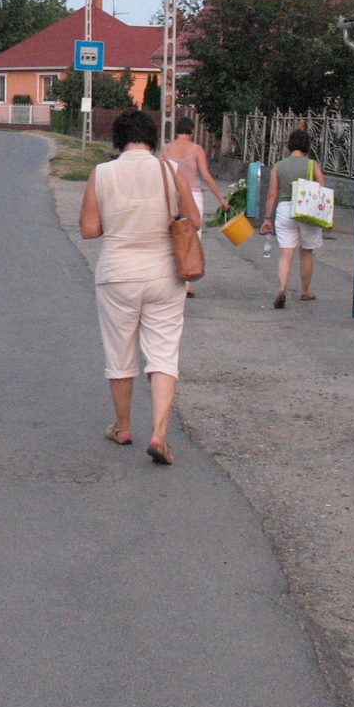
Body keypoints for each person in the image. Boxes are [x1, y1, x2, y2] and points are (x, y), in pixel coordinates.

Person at [79, 109, 198, 465]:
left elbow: (89, 230)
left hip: (118, 275)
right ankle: (159, 433)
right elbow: (192, 219)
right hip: (165, 274)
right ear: (152, 138)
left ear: (118, 139)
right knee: (163, 353)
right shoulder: (169, 171)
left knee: (120, 352)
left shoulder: (101, 173)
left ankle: (124, 426)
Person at [258, 130, 327, 309]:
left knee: (286, 254)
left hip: (284, 210)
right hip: (307, 210)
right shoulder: (312, 165)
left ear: (290, 145)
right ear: (306, 146)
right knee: (306, 252)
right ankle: (305, 291)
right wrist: (328, 218)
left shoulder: (279, 166)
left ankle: (282, 288)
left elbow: (272, 193)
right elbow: (322, 190)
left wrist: (267, 218)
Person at [162, 119, 227, 298]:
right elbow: (206, 176)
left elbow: (159, 173)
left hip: (172, 196)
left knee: (171, 235)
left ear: (177, 131)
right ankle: (188, 283)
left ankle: (171, 279)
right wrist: (220, 198)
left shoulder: (166, 150)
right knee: (192, 238)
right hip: (193, 197)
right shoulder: (197, 149)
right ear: (191, 132)